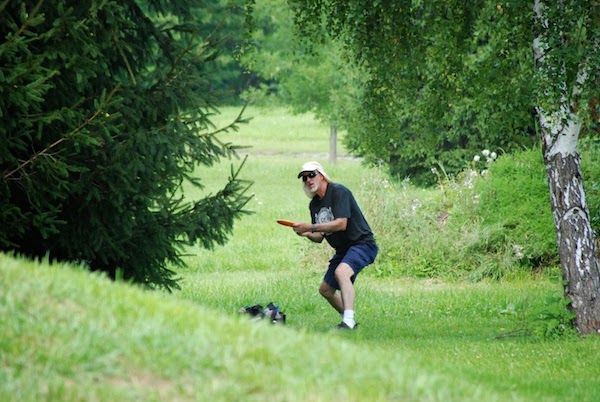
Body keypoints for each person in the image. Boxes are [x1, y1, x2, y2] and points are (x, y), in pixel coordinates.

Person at [292, 161, 378, 330]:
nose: (308, 180)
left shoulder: (339, 192)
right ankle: (349, 320)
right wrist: (305, 233)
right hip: (343, 249)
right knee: (325, 290)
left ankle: (348, 321)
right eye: (304, 178)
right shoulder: (314, 205)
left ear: (322, 175)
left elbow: (341, 224)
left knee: (341, 272)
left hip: (362, 244)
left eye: (312, 175)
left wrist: (310, 227)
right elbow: (319, 237)